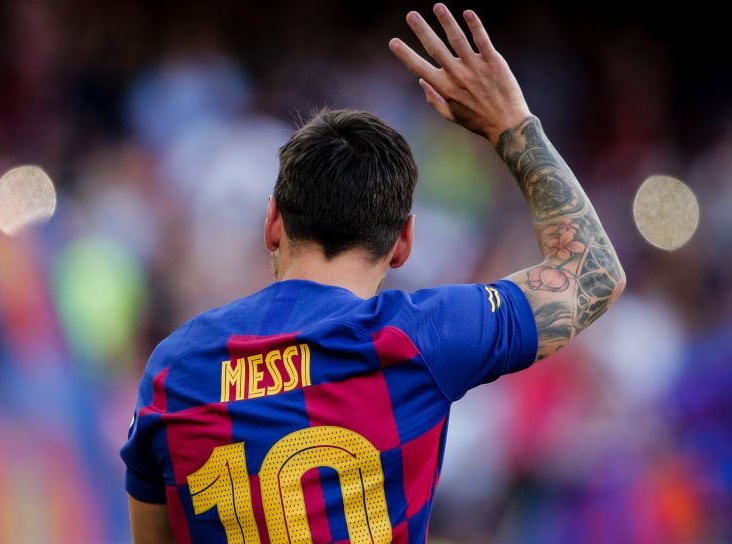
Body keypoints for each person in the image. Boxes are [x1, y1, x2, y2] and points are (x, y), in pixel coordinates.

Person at [120, 4, 626, 543]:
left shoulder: (176, 369)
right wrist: (511, 126)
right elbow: (593, 274)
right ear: (403, 242)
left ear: (272, 221)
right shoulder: (425, 337)